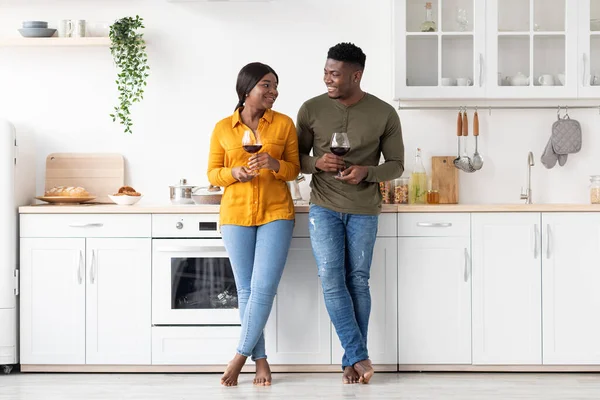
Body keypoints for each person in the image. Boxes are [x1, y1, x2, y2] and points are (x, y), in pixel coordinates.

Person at [296, 42, 404, 384]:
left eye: (335, 74)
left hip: (364, 209)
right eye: (326, 71)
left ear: (356, 76)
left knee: (358, 281)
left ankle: (349, 361)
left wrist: (366, 172)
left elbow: (397, 165)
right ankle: (360, 357)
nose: (327, 78)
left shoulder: (384, 113)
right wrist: (315, 163)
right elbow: (293, 160)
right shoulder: (310, 109)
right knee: (331, 278)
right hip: (324, 207)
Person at [207, 62, 300, 387]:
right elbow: (212, 173)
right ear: (247, 89)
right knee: (246, 291)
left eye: (275, 86)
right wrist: (233, 174)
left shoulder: (285, 124)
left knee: (262, 289)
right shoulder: (222, 128)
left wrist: (275, 164)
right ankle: (261, 360)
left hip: (276, 213)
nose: (273, 92)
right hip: (235, 215)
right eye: (266, 85)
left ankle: (238, 356)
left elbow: (294, 169)